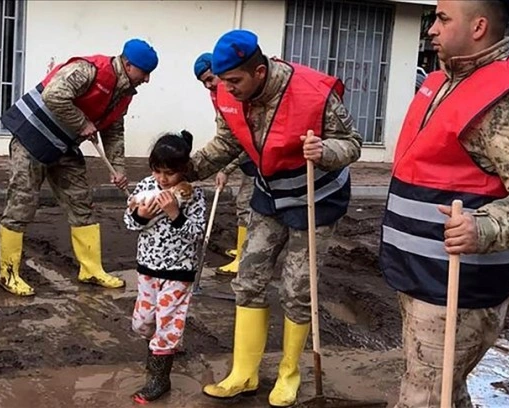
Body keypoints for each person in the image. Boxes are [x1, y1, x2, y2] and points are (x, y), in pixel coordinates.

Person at [378, 1, 509, 407]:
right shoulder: (446, 81)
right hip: (425, 277)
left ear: (479, 26)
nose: (431, 29)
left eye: (443, 19)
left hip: (456, 287)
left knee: (424, 399)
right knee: (444, 393)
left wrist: (483, 227)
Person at [189, 30, 362, 407]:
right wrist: (185, 170)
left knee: (297, 289)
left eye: (235, 81)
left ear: (260, 72)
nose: (228, 90)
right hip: (269, 196)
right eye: (223, 82)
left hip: (317, 199)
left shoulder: (315, 93)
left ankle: (289, 373)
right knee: (248, 279)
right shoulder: (227, 93)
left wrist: (326, 148)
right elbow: (227, 143)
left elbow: (352, 143)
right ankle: (243, 373)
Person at [0, 38, 158, 296]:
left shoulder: (124, 94)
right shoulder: (87, 70)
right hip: (32, 138)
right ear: (128, 65)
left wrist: (117, 169)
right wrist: (82, 123)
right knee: (22, 202)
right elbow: (54, 95)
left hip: (63, 145)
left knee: (81, 202)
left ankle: (91, 269)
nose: (147, 80)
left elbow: (114, 130)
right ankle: (8, 272)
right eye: (145, 73)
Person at [124, 130, 206, 404]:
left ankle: (160, 378)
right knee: (142, 322)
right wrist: (140, 214)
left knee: (167, 323)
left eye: (169, 173)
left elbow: (197, 234)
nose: (162, 179)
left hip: (178, 272)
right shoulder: (146, 187)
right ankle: (160, 351)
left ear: (183, 170)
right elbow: (129, 222)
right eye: (157, 171)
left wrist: (174, 214)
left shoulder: (193, 195)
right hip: (147, 268)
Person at [193, 52, 253, 275]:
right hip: (249, 157)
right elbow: (227, 135)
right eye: (203, 82)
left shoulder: (241, 93)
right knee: (245, 203)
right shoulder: (219, 95)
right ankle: (243, 249)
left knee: (246, 203)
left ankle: (244, 256)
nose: (208, 85)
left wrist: (226, 168)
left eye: (210, 78)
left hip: (261, 157)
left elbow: (243, 140)